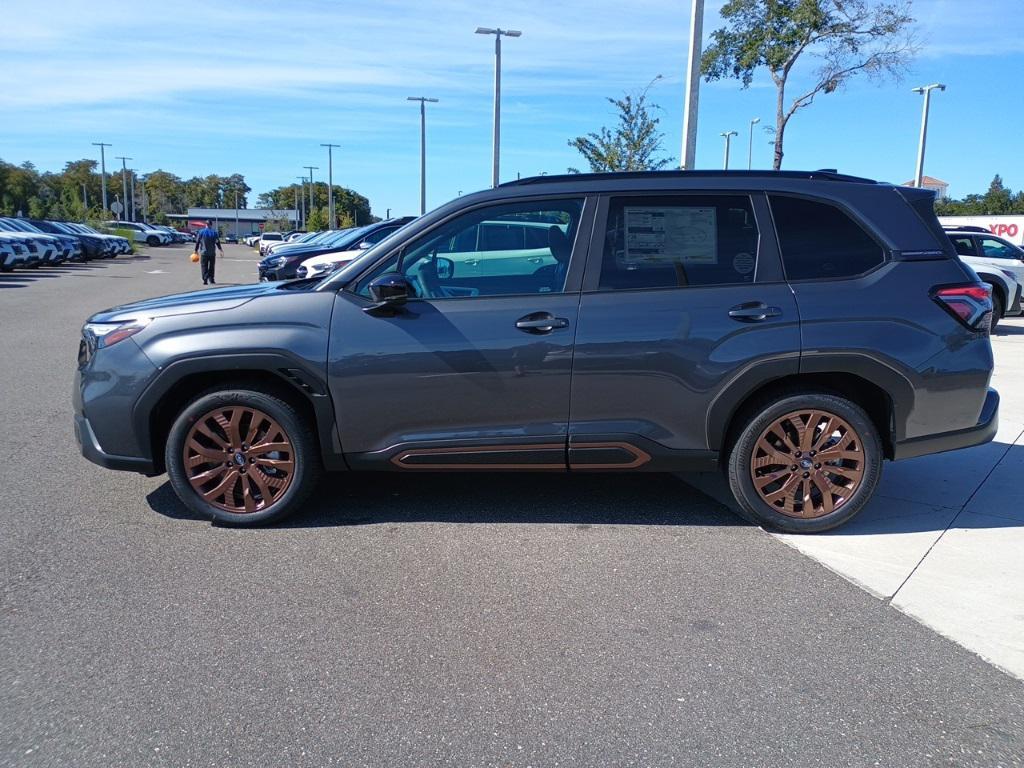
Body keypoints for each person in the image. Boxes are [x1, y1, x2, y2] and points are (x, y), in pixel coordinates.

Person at [193, 220, 223, 285]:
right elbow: (217, 242)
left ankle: (205, 279)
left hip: (204, 253)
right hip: (212, 253)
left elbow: (197, 242)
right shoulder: (214, 233)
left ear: (206, 225)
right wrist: (220, 249)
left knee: (204, 266)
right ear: (211, 225)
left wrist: (196, 250)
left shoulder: (201, 232)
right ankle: (211, 279)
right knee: (212, 266)